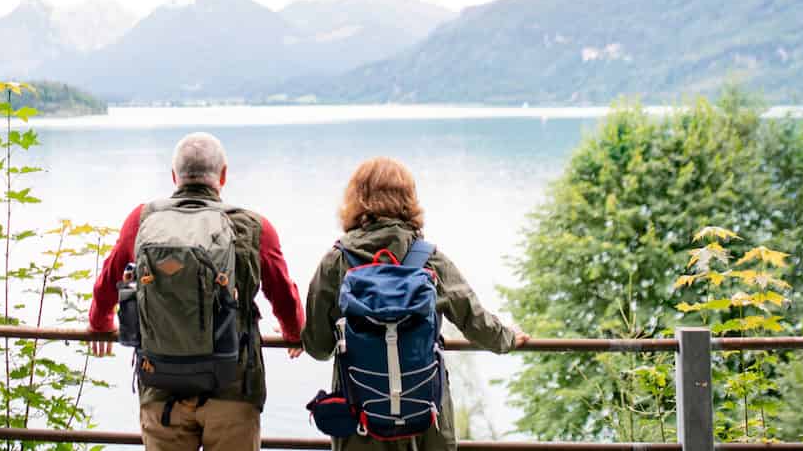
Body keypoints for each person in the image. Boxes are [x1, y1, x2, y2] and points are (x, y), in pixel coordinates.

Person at [89, 132, 306, 451]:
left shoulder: (142, 220)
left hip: (162, 389)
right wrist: (292, 332)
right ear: (223, 175)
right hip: (232, 389)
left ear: (174, 176)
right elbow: (284, 298)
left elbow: (108, 282)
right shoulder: (253, 226)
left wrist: (99, 323)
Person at [302, 157, 528, 450]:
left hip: (362, 422)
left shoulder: (337, 261)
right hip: (426, 420)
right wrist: (508, 338)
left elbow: (318, 347)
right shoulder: (429, 259)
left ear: (355, 200)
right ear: (409, 199)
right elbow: (473, 318)